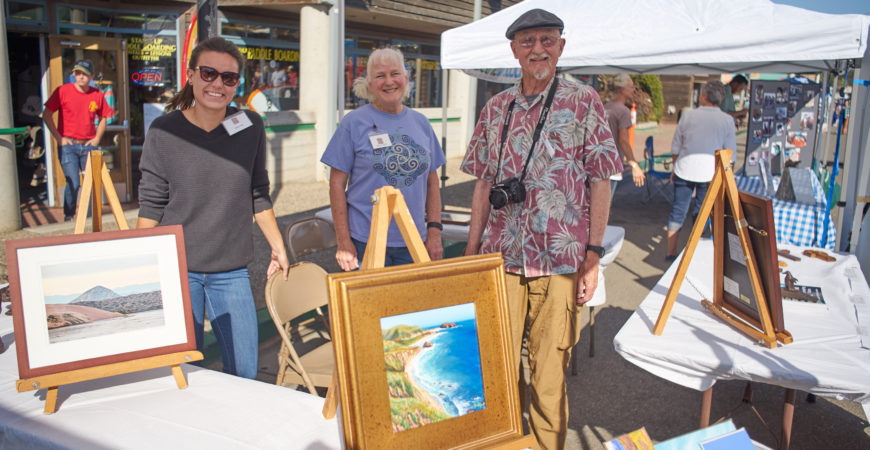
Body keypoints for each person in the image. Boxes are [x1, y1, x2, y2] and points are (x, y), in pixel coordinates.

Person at [460, 9, 622, 449]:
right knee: (497, 369)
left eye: (547, 40)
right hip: (502, 260)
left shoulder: (583, 100)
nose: (538, 49)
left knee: (549, 376)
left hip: (560, 262)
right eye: (528, 41)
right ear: (513, 49)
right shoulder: (496, 108)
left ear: (561, 47)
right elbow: (481, 184)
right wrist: (472, 253)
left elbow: (601, 179)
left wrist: (593, 253)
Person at [137, 37, 290, 379]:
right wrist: (138, 265)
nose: (217, 84)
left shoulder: (250, 126)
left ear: (237, 84)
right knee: (182, 372)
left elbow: (258, 192)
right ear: (191, 76)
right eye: (208, 73)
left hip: (231, 271)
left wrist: (278, 249)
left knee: (245, 373)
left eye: (229, 78)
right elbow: (152, 202)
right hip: (178, 269)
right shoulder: (164, 131)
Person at [321, 47, 445, 271]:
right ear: (369, 84)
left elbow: (432, 181)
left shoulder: (421, 123)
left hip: (413, 241)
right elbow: (336, 184)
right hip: (365, 241)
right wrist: (344, 242)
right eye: (380, 76)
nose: (389, 81)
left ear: (406, 79)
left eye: (395, 73)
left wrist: (434, 230)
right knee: (367, 306)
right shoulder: (353, 123)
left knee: (410, 305)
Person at [666, 80, 737, 259]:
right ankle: (695, 251)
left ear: (704, 95)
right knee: (703, 212)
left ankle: (671, 251)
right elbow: (730, 155)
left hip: (684, 168)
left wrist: (674, 167)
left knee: (678, 209)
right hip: (711, 173)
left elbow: (676, 146)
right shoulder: (727, 120)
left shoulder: (688, 116)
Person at [43, 59, 113, 221]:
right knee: (73, 181)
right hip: (69, 144)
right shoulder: (62, 91)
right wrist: (59, 138)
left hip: (88, 145)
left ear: (91, 76)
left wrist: (96, 138)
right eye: (77, 73)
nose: (80, 77)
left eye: (84, 74)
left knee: (90, 182)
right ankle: (69, 215)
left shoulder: (97, 95)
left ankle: (87, 219)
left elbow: (103, 117)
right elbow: (47, 114)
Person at [604, 74, 645, 195]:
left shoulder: (604, 107)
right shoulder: (623, 111)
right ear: (622, 89)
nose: (634, 90)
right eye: (631, 87)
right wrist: (633, 164)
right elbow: (623, 141)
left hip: (599, 165)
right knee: (604, 209)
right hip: (612, 166)